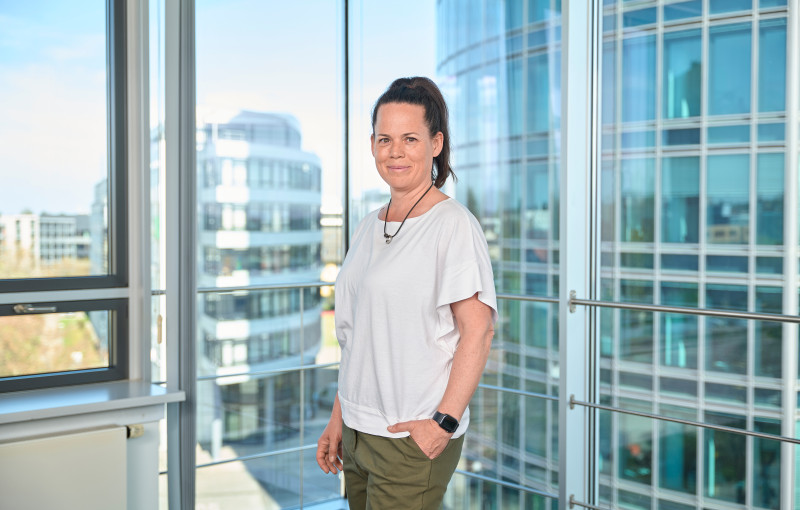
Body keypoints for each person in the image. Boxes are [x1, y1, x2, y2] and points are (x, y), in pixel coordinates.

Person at [316, 76, 498, 510]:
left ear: (436, 144)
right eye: (385, 139)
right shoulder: (367, 226)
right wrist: (340, 418)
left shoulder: (453, 225)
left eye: (410, 139)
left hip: (410, 437)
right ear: (372, 145)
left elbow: (478, 332)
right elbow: (357, 338)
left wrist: (442, 424)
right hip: (357, 432)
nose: (395, 151)